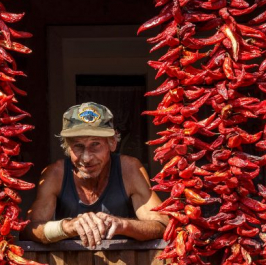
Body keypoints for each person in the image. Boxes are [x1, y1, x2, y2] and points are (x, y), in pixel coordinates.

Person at [23, 102, 167, 248]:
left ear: (112, 143)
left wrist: (123, 225)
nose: (86, 158)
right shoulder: (55, 174)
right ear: (67, 147)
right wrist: (66, 227)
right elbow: (30, 230)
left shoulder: (129, 169)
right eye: (78, 146)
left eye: (95, 144)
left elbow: (162, 225)